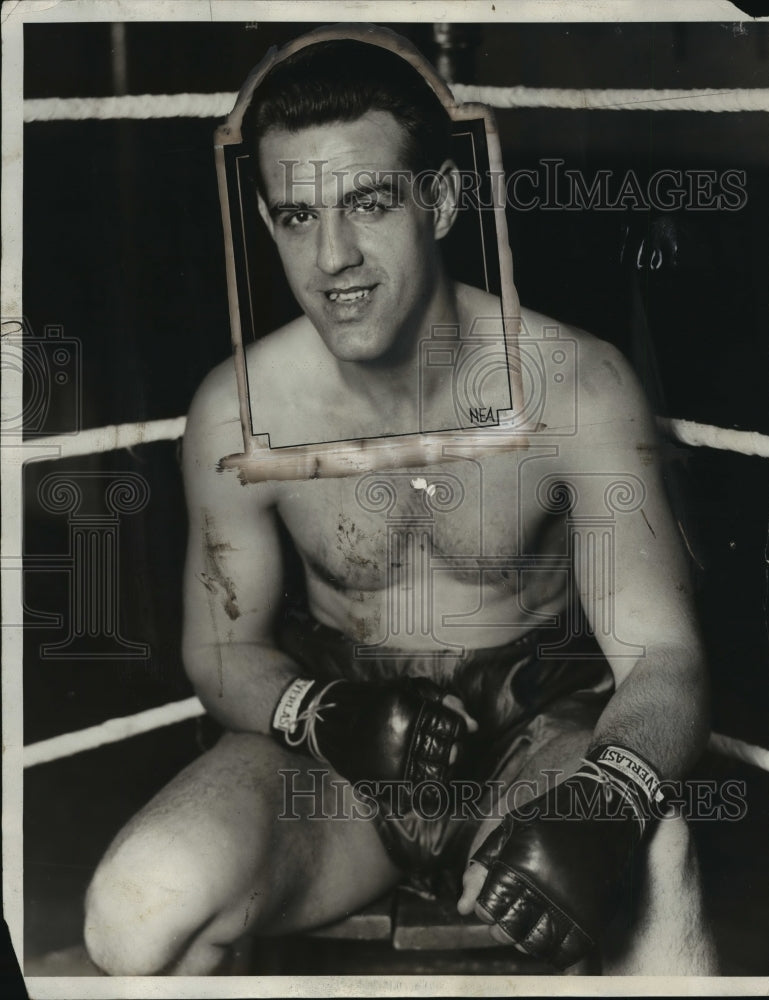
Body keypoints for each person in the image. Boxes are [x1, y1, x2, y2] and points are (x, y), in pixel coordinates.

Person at [83, 29, 717, 976]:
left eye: (367, 203)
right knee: (134, 912)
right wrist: (319, 711)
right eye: (297, 217)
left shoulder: (574, 383)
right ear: (265, 221)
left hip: (533, 743)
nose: (332, 256)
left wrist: (603, 802)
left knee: (656, 859)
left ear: (440, 201)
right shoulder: (237, 413)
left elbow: (664, 657)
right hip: (340, 770)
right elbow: (220, 648)